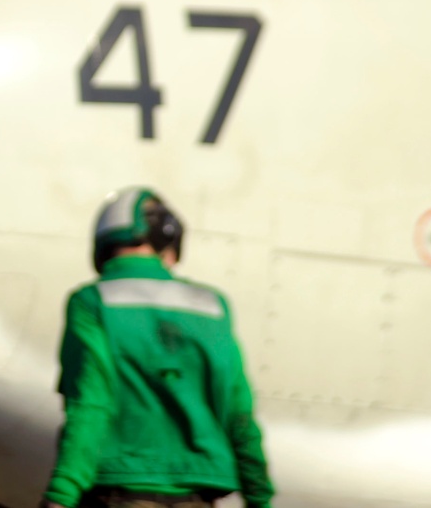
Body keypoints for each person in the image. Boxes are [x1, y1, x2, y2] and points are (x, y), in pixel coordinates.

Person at [40, 188, 273, 508]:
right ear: (168, 243)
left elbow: (91, 404)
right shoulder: (212, 307)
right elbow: (239, 414)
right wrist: (260, 496)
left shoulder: (93, 303)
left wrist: (60, 495)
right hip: (197, 496)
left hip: (120, 492)